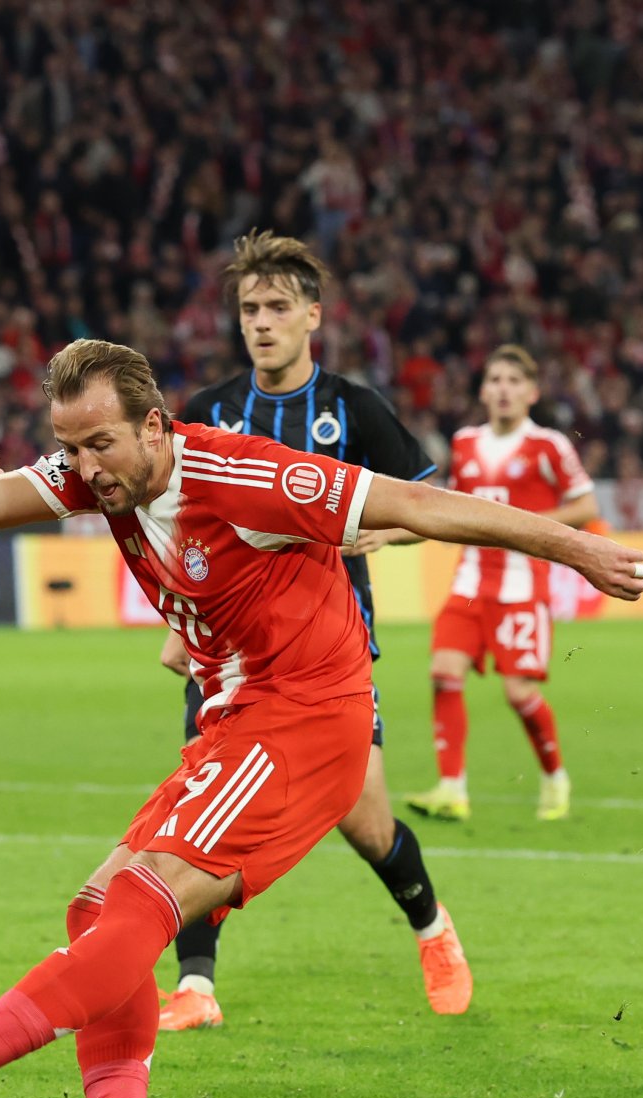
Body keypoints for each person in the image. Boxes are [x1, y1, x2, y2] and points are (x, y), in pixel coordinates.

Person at [0, 339, 643, 1098]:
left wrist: (578, 548)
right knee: (96, 906)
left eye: (100, 444)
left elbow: (420, 504)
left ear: (155, 426)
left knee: (145, 897)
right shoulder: (104, 473)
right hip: (236, 716)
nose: (85, 468)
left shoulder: (248, 477)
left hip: (305, 719)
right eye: (69, 447)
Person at [156, 230, 469, 1030]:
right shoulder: (209, 413)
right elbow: (178, 524)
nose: (261, 322)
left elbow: (431, 507)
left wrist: (378, 531)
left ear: (313, 316)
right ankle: (196, 985)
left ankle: (432, 927)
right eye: (249, 308)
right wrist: (178, 618)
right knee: (198, 814)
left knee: (365, 823)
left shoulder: (351, 410)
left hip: (329, 656)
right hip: (225, 655)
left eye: (276, 307)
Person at [405, 346, 596, 823]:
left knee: (519, 694)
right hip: (469, 581)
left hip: (522, 586)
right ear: (483, 391)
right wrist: (390, 532)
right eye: (494, 380)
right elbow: (448, 510)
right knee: (443, 672)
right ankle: (452, 788)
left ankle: (554, 775)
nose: (503, 389)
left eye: (514, 381)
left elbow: (586, 505)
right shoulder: (465, 442)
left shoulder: (548, 445)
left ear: (532, 393)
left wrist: (526, 527)